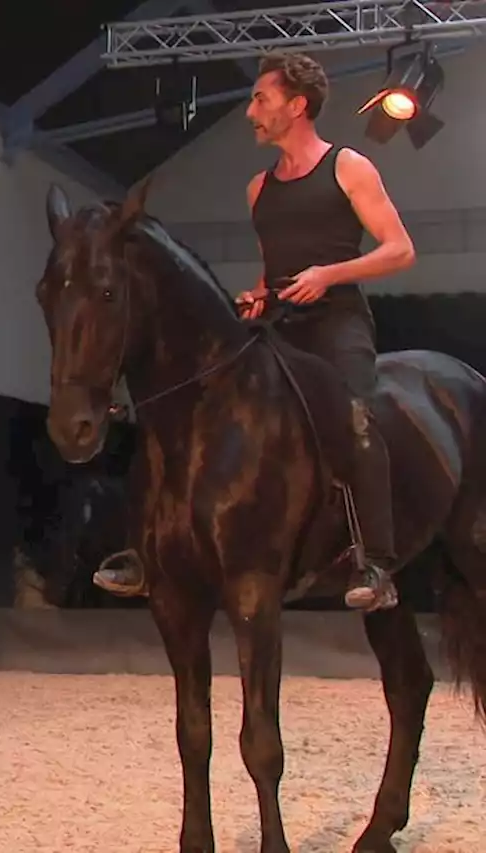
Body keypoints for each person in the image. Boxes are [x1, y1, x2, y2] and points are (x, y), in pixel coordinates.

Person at [95, 51, 415, 613]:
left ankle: (377, 561)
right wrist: (259, 292)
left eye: (260, 99)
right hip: (280, 320)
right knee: (187, 409)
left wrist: (327, 275)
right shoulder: (258, 188)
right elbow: (275, 265)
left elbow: (399, 250)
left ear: (297, 105)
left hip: (336, 320)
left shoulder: (348, 166)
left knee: (358, 419)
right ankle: (144, 548)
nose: (251, 112)